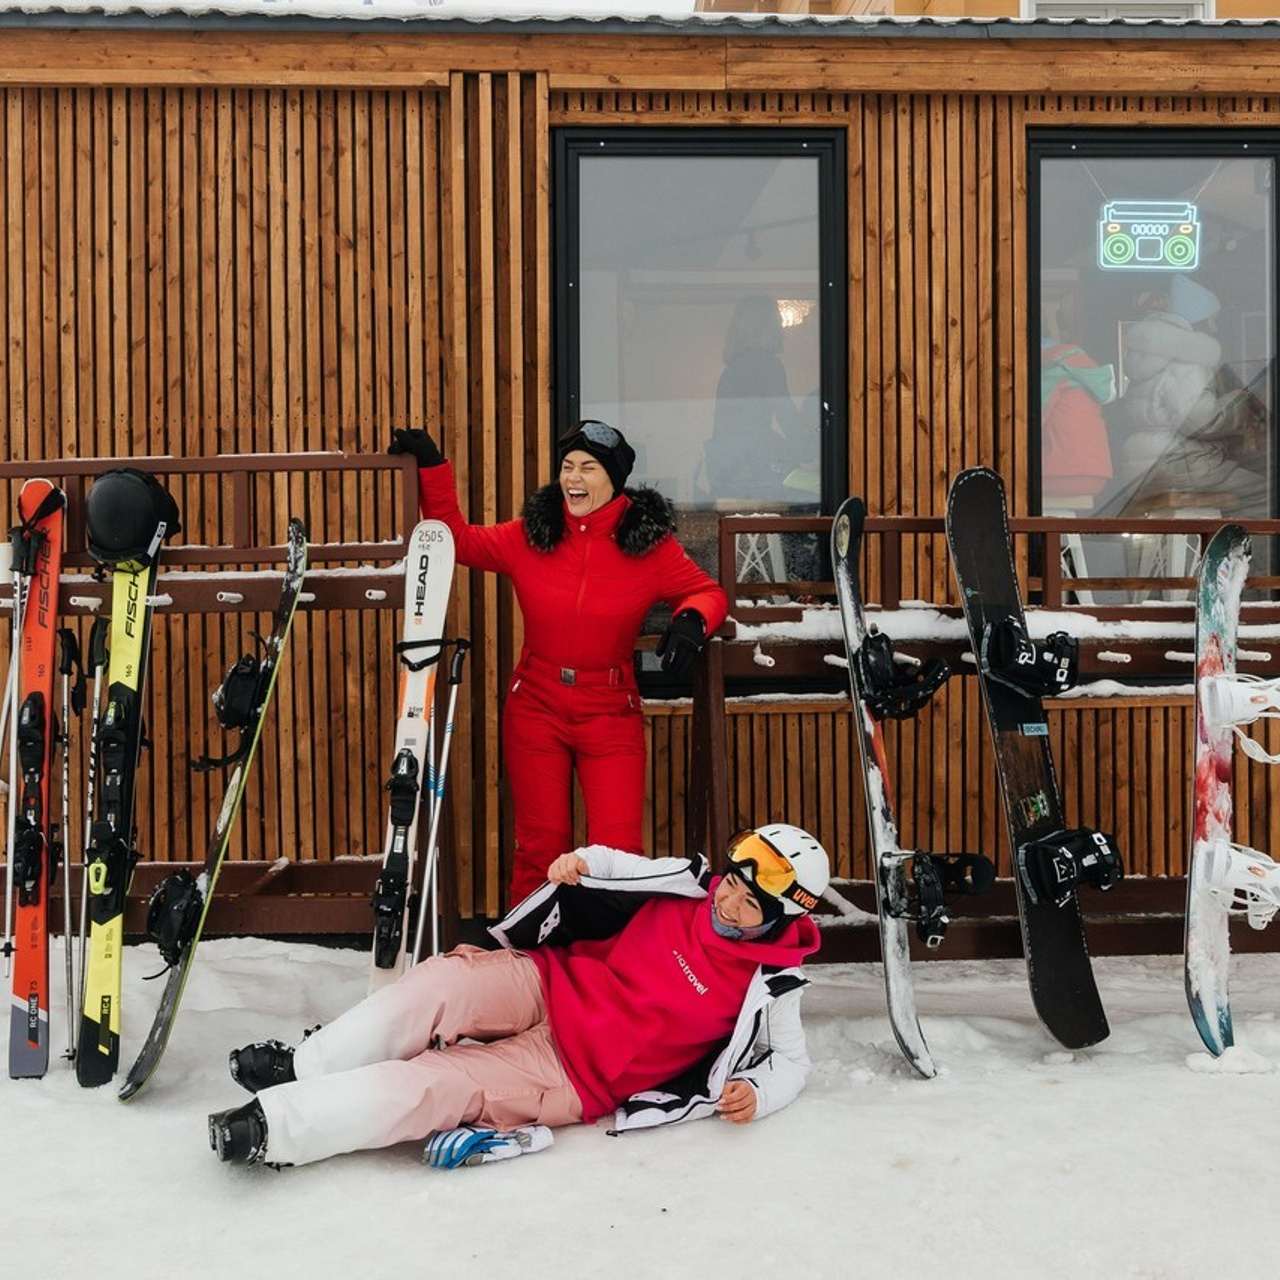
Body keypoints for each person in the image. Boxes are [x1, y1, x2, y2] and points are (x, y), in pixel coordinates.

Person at [206, 823, 831, 1169]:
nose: (728, 903)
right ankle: (305, 1066)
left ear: (778, 918)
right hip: (554, 979)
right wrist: (581, 862)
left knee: (440, 1083)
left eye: (751, 904)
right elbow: (619, 865)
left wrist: (761, 1091)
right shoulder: (693, 885)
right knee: (443, 982)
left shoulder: (773, 982)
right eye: (734, 884)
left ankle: (277, 1128)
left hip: (574, 1070)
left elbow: (793, 1062)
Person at [389, 419, 729, 903]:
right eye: (568, 466)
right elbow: (457, 540)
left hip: (611, 710)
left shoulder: (649, 546)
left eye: (588, 468)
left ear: (614, 481)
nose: (574, 477)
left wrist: (693, 621)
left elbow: (706, 590)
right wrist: (432, 467)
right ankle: (531, 957)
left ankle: (609, 961)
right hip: (536, 706)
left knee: (617, 851)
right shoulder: (532, 535)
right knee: (540, 847)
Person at [703, 294, 808, 502]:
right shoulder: (766, 364)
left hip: (729, 471)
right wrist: (812, 446)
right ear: (765, 326)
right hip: (754, 469)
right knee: (816, 485)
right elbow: (788, 420)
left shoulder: (733, 368)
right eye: (776, 321)